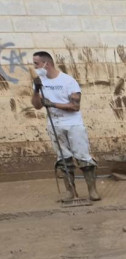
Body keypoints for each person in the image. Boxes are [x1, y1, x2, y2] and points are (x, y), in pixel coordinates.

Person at [31, 51, 100, 202]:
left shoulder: (68, 81)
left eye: (36, 63)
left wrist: (53, 104)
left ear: (46, 64)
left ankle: (92, 190)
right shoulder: (40, 81)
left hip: (73, 125)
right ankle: (70, 191)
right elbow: (37, 106)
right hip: (54, 125)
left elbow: (75, 106)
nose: (34, 67)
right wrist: (36, 90)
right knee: (63, 160)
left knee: (84, 158)